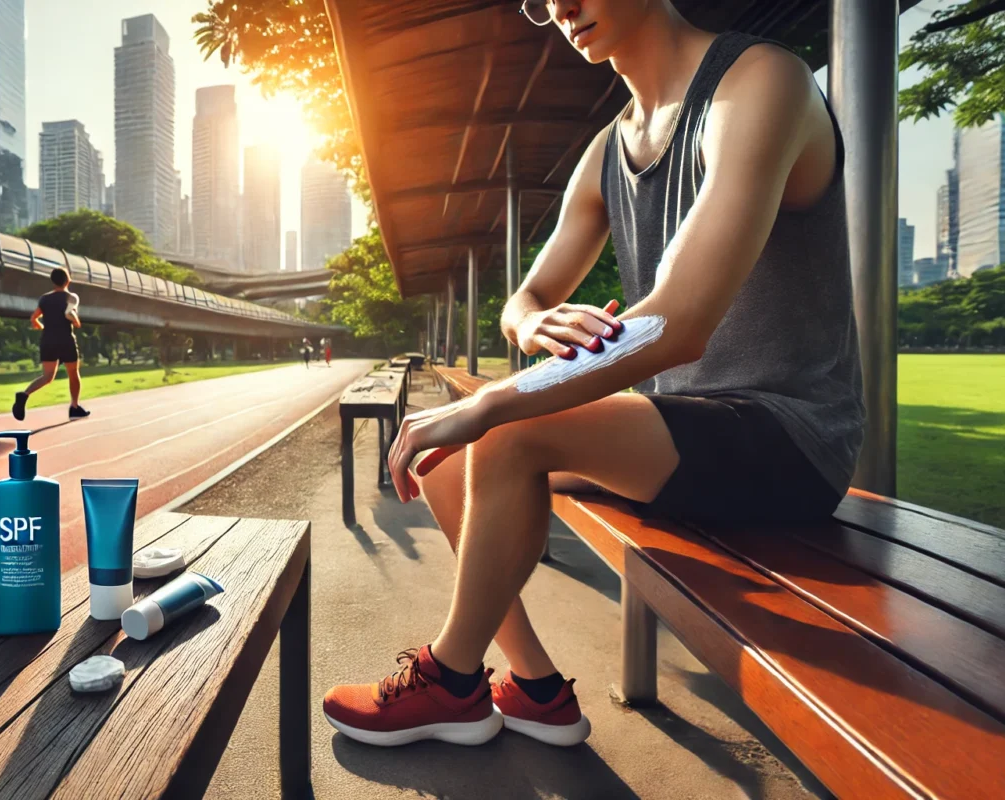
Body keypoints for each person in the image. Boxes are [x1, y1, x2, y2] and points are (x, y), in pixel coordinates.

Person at [322, 0, 864, 749]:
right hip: (680, 433)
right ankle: (537, 690)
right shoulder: (609, 148)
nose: (560, 6)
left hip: (789, 439)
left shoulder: (761, 84)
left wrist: (493, 405)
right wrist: (530, 323)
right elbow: (525, 298)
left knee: (508, 429)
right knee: (449, 461)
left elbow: (680, 320)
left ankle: (450, 678)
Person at [13, 268, 90, 420]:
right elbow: (70, 314)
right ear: (68, 280)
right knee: (73, 374)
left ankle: (24, 395)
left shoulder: (44, 298)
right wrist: (77, 321)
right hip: (66, 339)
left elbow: (34, 317)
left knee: (47, 376)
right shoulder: (71, 297)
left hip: (48, 340)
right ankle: (74, 407)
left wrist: (39, 325)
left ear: (53, 282)